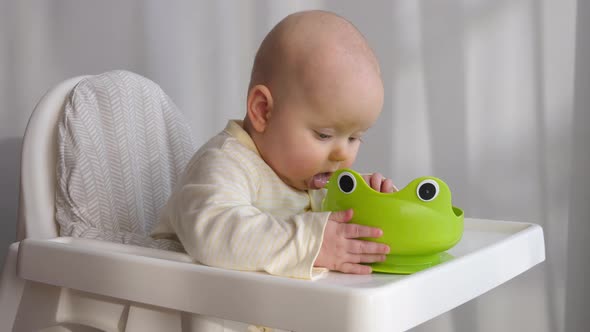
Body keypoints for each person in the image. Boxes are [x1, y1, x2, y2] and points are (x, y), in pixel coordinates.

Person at [152, 10, 396, 280]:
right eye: (324, 135)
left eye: (354, 138)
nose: (342, 154)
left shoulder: (306, 177)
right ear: (263, 110)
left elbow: (335, 234)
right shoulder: (226, 164)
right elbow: (211, 231)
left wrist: (368, 204)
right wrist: (312, 243)